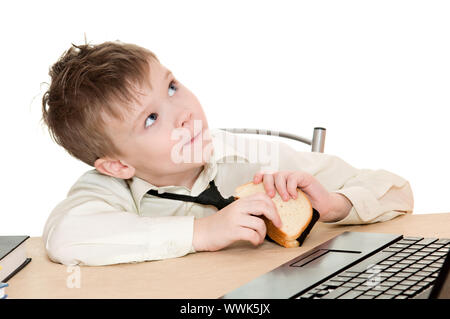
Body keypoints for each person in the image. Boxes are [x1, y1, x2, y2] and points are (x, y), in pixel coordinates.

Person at [41, 41, 414, 266]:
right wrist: (203, 232)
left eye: (172, 87)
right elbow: (65, 238)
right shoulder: (106, 190)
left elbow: (398, 191)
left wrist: (337, 204)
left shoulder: (246, 156)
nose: (184, 112)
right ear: (118, 164)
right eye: (152, 118)